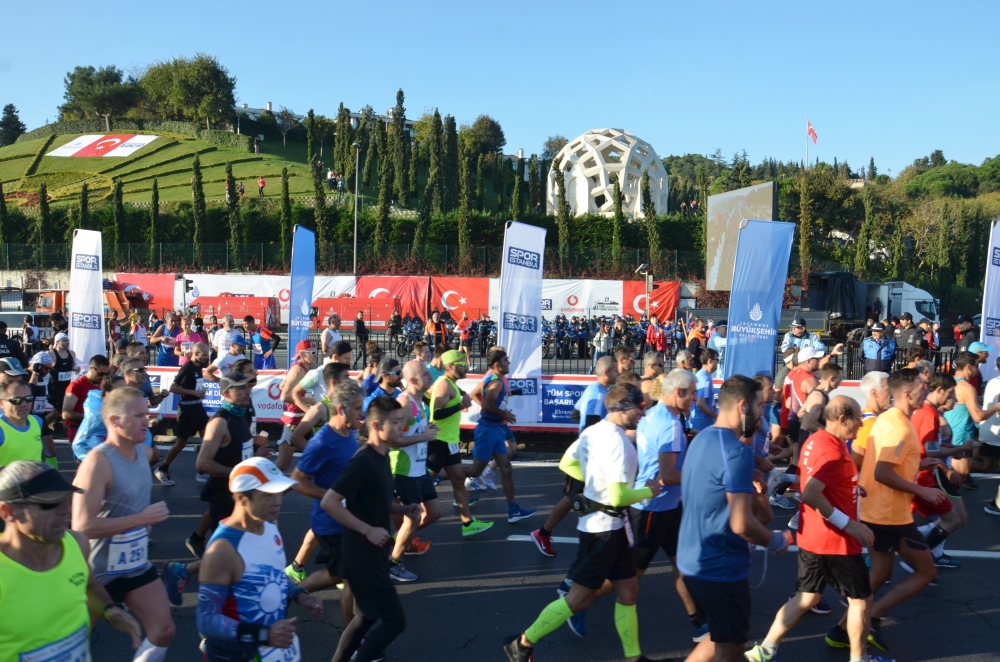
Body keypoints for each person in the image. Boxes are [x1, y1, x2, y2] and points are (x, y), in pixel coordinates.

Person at [503, 384, 661, 662]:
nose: (643, 413)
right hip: (602, 531)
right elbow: (618, 496)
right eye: (640, 407)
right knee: (579, 599)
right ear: (624, 407)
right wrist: (650, 490)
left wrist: (592, 487)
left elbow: (567, 463)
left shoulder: (592, 431)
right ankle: (522, 643)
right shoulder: (618, 442)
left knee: (628, 590)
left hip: (612, 527)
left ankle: (634, 657)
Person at [745, 396, 889, 662]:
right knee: (861, 602)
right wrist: (850, 525)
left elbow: (808, 479)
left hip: (812, 537)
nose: (861, 424)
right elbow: (811, 493)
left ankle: (765, 650)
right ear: (842, 419)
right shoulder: (834, 453)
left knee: (807, 597)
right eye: (858, 418)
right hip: (837, 542)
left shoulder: (816, 441)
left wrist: (850, 486)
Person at [677, 376, 788, 662]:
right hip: (720, 570)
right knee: (731, 649)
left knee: (720, 638)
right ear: (743, 406)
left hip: (692, 563)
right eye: (759, 405)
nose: (762, 413)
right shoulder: (736, 452)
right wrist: (776, 542)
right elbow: (742, 523)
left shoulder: (701, 438)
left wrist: (758, 490)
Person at [72, 387, 176, 661]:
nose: (147, 421)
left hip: (133, 563)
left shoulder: (143, 452)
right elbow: (82, 526)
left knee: (164, 630)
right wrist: (140, 519)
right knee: (75, 646)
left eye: (147, 414)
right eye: (138, 415)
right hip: (96, 571)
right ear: (114, 421)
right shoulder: (98, 462)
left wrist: (139, 524)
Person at [0, 460, 143, 659]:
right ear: (8, 512)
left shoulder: (76, 543)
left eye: (66, 499)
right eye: (49, 503)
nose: (66, 510)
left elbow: (88, 585)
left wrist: (108, 609)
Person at [196, 456, 322, 661]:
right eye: (268, 495)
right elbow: (206, 620)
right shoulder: (223, 549)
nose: (278, 501)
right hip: (237, 654)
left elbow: (273, 574)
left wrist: (300, 595)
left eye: (279, 493)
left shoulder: (269, 525)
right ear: (241, 498)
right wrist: (264, 635)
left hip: (273, 649)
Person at [854, 368, 943, 653]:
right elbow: (882, 472)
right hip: (890, 515)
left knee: (881, 572)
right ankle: (872, 614)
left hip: (878, 510)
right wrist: (922, 491)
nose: (926, 391)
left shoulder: (888, 418)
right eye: (922, 388)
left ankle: (845, 628)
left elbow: (886, 461)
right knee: (926, 571)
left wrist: (918, 464)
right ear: (906, 393)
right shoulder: (899, 427)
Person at [322, 396, 415, 662]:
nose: (402, 427)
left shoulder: (382, 456)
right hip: (362, 555)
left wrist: (403, 509)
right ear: (376, 425)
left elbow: (376, 501)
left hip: (372, 553)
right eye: (395, 422)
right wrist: (367, 530)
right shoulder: (363, 460)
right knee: (395, 622)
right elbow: (330, 502)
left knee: (365, 618)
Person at [630, 369, 704, 641]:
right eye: (693, 393)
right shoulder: (670, 424)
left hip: (667, 505)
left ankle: (698, 621)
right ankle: (577, 599)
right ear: (678, 392)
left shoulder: (653, 414)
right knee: (632, 573)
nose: (695, 398)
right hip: (654, 507)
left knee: (681, 562)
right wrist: (704, 477)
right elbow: (669, 475)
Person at [531, 355, 621, 557]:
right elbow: (591, 427)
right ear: (606, 372)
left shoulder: (592, 389)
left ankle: (551, 534)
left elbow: (575, 414)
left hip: (586, 453)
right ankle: (544, 533)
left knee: (579, 498)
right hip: (590, 457)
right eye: (616, 371)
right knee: (575, 498)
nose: (619, 374)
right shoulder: (598, 395)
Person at [184, 372, 259, 563]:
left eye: (248, 386)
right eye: (241, 388)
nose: (247, 391)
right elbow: (202, 463)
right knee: (225, 554)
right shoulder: (219, 422)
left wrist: (258, 456)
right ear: (226, 394)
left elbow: (239, 451)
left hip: (241, 493)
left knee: (239, 550)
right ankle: (186, 571)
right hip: (224, 495)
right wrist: (237, 473)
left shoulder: (241, 413)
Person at [904, 372, 968, 569]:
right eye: (950, 393)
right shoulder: (929, 414)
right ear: (939, 390)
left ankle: (924, 555)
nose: (953, 398)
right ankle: (918, 558)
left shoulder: (927, 412)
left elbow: (931, 446)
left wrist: (956, 448)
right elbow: (931, 450)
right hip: (923, 476)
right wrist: (957, 450)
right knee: (954, 519)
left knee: (951, 519)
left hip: (922, 474)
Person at [465, 349, 536, 523]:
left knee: (507, 469)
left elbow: (494, 400)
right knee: (475, 471)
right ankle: (440, 475)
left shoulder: (499, 380)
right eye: (506, 360)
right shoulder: (495, 382)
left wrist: (504, 408)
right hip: (487, 430)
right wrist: (504, 414)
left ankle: (513, 510)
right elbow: (487, 404)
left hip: (497, 429)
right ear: (497, 364)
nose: (509, 362)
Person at [428, 350, 493, 537]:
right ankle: (400, 518)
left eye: (466, 364)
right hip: (439, 442)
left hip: (450, 442)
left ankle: (468, 523)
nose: (466, 367)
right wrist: (460, 405)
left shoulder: (450, 384)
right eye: (462, 365)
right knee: (422, 484)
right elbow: (436, 414)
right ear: (450, 366)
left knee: (458, 480)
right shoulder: (443, 384)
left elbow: (427, 396)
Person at [387, 361, 442, 577]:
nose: (431, 377)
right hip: (404, 470)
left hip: (420, 470)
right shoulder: (404, 404)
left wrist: (426, 429)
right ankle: (393, 563)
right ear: (412, 380)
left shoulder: (420, 401)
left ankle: (400, 539)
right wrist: (422, 436)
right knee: (413, 517)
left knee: (435, 512)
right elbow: (391, 439)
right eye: (425, 374)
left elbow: (413, 431)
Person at [155, 343, 210, 486]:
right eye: (204, 354)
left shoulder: (199, 366)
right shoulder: (186, 368)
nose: (207, 357)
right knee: (181, 443)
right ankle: (163, 468)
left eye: (207, 354)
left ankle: (202, 468)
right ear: (195, 354)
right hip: (186, 410)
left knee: (208, 438)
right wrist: (193, 392)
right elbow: (173, 388)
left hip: (198, 407)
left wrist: (200, 393)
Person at [945, 351, 1000, 489]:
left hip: (949, 437)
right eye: (976, 366)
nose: (977, 370)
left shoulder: (949, 382)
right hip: (961, 439)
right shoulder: (968, 388)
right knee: (960, 477)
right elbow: (978, 416)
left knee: (953, 479)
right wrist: (996, 407)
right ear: (968, 366)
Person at [277, 340, 319, 471]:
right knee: (282, 464)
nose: (316, 355)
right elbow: (284, 396)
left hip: (301, 417)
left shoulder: (300, 368)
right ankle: (261, 478)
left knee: (314, 457)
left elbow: (282, 386)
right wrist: (309, 400)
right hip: (293, 419)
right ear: (303, 354)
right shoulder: (298, 369)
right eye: (313, 353)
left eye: (316, 352)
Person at [71, 374, 125, 461]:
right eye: (121, 390)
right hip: (87, 449)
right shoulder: (96, 407)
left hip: (107, 450)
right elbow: (98, 419)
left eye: (128, 389)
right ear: (108, 394)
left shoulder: (121, 405)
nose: (126, 393)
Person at [0, 379, 48, 471]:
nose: (24, 404)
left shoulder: (37, 421)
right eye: (16, 400)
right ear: (2, 403)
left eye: (28, 399)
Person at [62, 355, 111, 445]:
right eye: (100, 373)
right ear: (91, 369)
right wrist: (92, 417)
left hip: (98, 430)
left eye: (106, 374)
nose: (103, 377)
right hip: (80, 430)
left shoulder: (103, 384)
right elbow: (65, 413)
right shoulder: (76, 386)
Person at [850, 371, 891, 471]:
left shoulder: (863, 413)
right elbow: (857, 457)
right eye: (888, 390)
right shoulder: (871, 424)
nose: (892, 394)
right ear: (874, 393)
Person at [690, 348, 719, 432]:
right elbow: (700, 403)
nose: (718, 363)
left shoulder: (702, 375)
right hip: (703, 425)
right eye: (717, 360)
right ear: (710, 361)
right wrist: (714, 416)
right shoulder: (705, 379)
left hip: (701, 424)